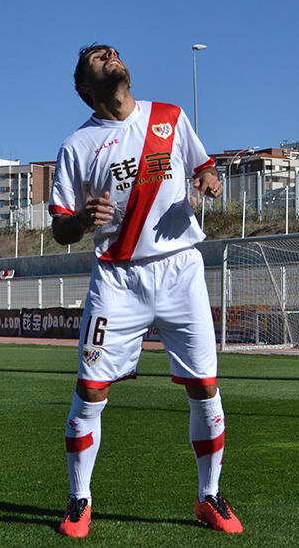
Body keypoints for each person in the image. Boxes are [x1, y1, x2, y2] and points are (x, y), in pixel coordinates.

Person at [48, 44, 242, 537]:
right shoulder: (77, 146)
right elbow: (59, 229)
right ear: (85, 88)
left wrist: (208, 179)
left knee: (205, 387)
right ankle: (79, 500)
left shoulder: (170, 117)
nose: (109, 56)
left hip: (181, 270)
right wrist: (79, 220)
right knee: (90, 391)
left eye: (112, 51)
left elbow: (205, 167)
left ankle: (209, 497)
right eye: (97, 58)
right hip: (117, 278)